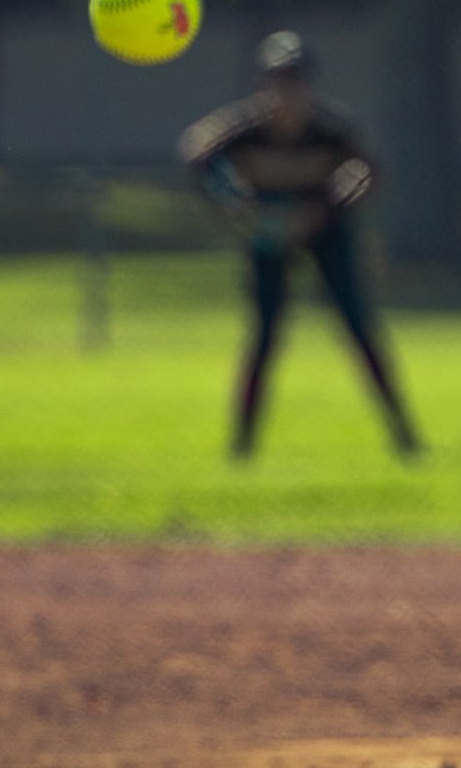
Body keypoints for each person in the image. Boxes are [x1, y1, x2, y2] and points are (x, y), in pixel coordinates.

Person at [178, 30, 420, 460]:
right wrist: (235, 202)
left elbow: (368, 171)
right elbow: (196, 152)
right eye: (277, 81)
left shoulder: (328, 129)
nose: (286, 91)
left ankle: (404, 435)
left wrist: (324, 210)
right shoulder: (245, 128)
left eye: (294, 81)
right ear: (264, 85)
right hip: (268, 233)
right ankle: (243, 443)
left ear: (309, 84)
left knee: (359, 331)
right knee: (265, 337)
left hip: (325, 231)